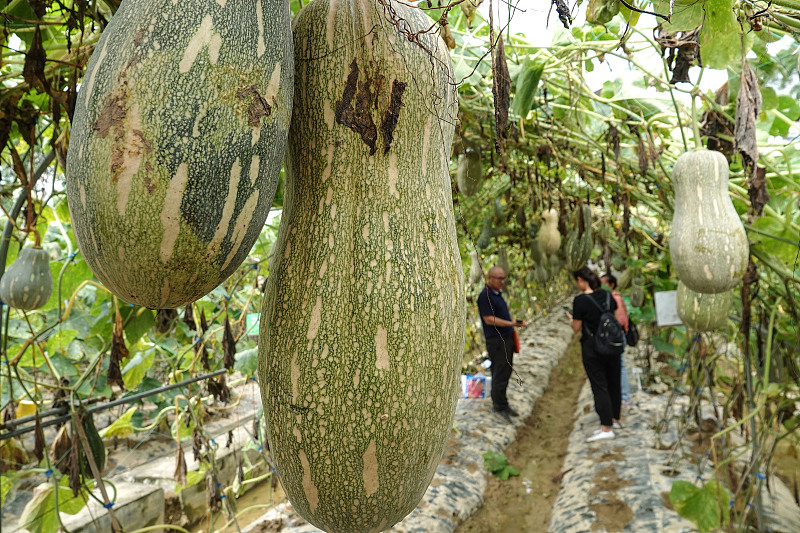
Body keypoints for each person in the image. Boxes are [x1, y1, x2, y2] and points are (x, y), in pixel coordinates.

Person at [565, 266, 621, 442]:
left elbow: (576, 328)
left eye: (577, 281)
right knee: (614, 383)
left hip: (592, 348)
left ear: (581, 280)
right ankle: (615, 419)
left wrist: (570, 319)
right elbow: (615, 318)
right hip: (612, 345)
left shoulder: (580, 301)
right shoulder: (607, 295)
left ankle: (606, 428)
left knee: (600, 386)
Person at [477, 265, 527, 422]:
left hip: (506, 339)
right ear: (490, 278)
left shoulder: (497, 294)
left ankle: (503, 404)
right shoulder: (485, 296)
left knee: (505, 372)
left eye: (504, 278)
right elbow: (488, 319)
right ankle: (498, 407)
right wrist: (511, 323)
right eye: (499, 278)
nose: (502, 281)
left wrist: (511, 325)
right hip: (496, 341)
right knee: (499, 373)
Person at [601, 273, 631, 406]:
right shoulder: (615, 296)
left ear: (611, 285)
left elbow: (620, 319)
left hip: (616, 336)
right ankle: (620, 396)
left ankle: (624, 397)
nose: (601, 286)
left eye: (604, 283)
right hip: (619, 335)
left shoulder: (614, 298)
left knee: (620, 367)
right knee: (617, 366)